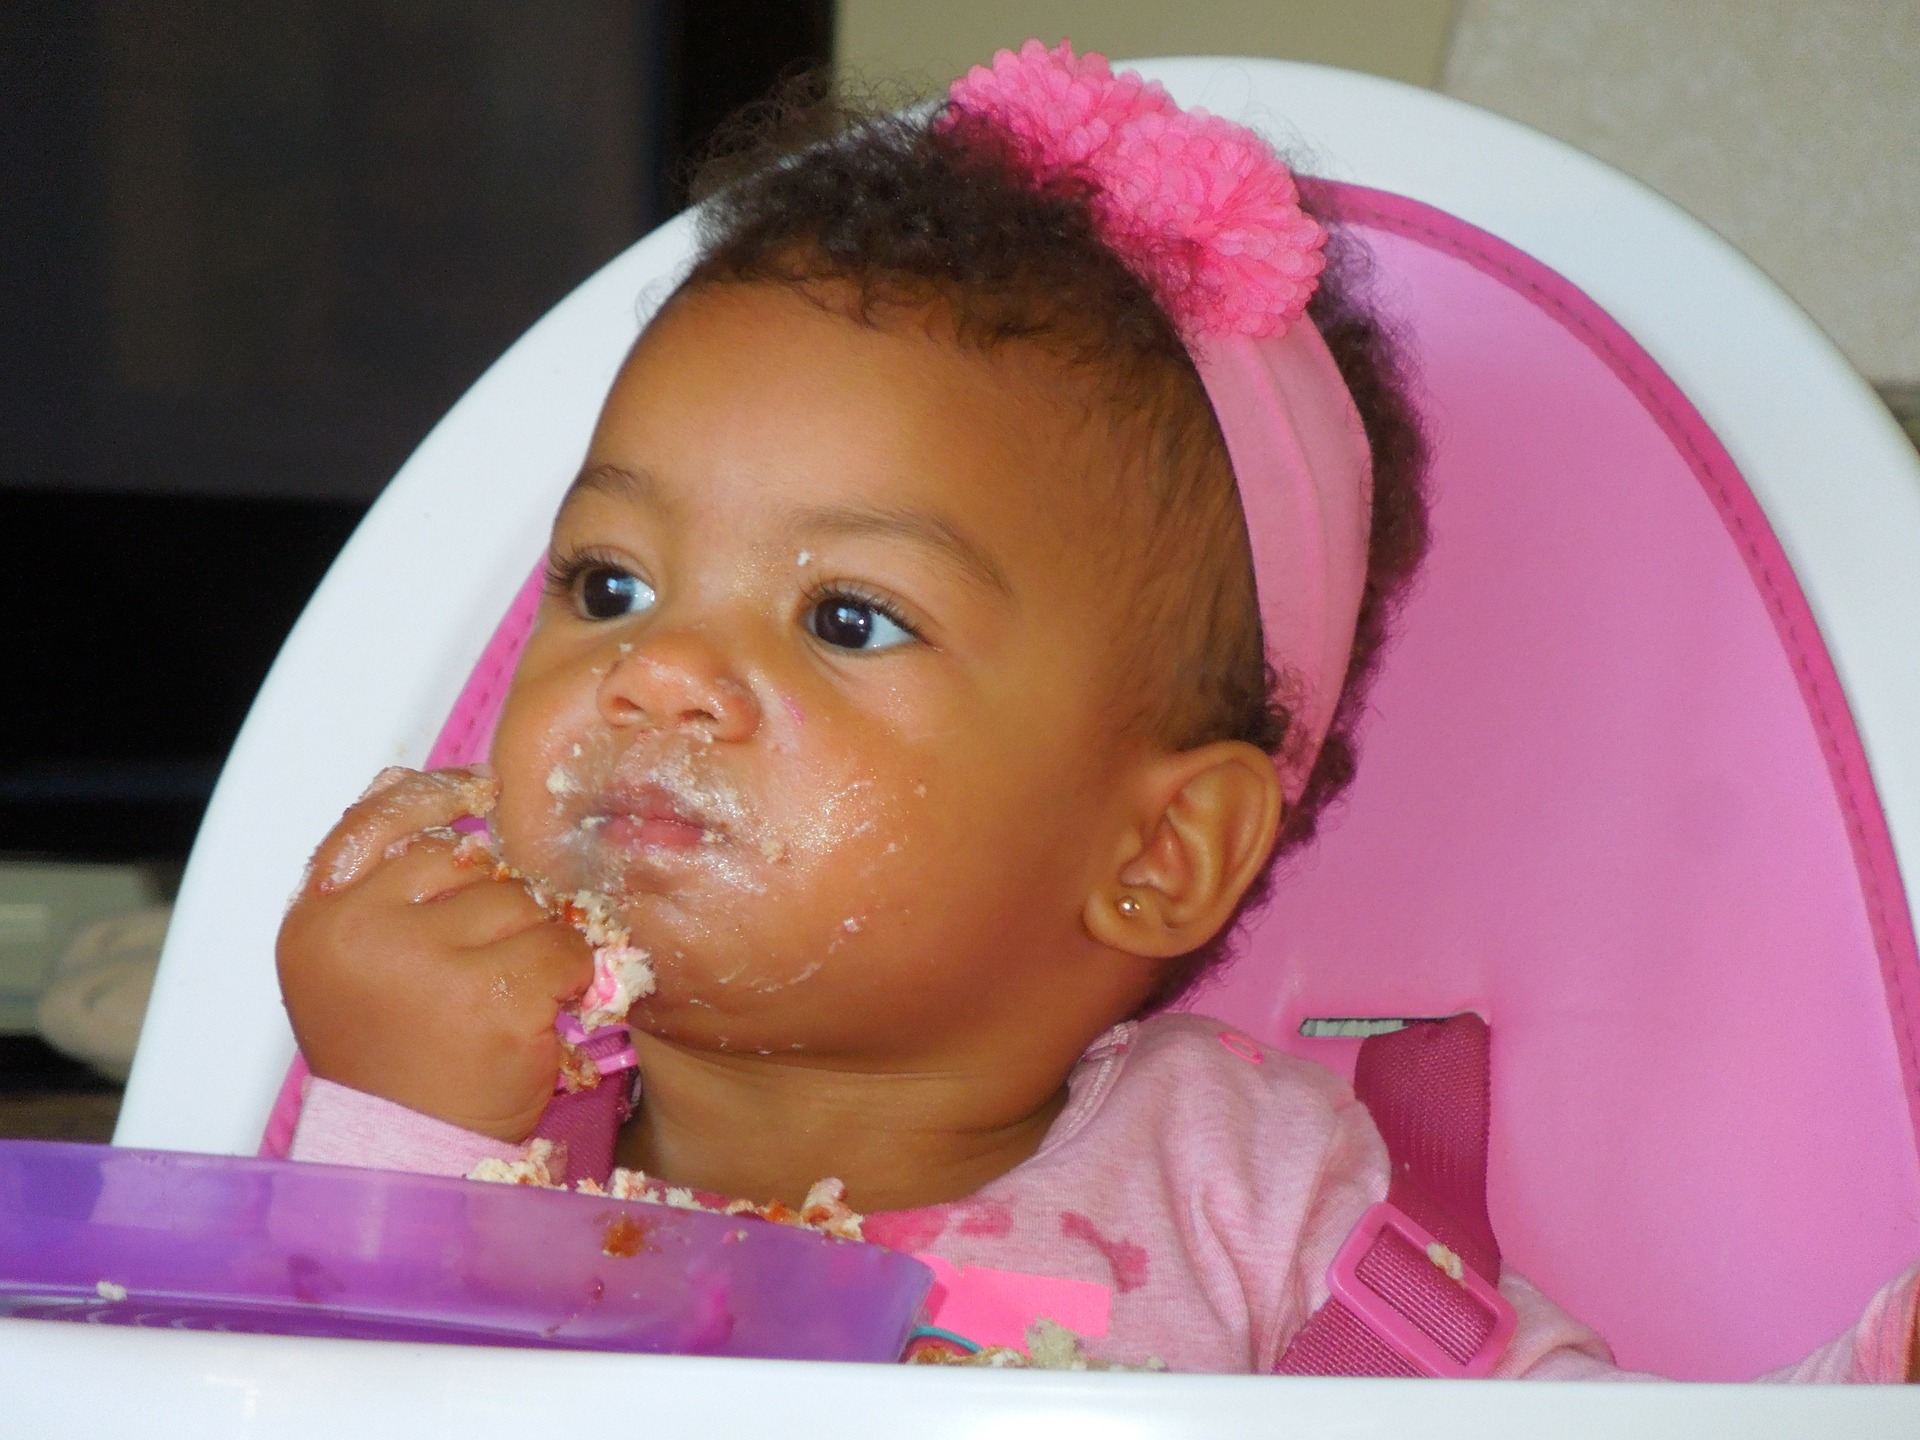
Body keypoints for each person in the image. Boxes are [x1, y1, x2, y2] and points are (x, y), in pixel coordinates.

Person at [274, 41, 1919, 1378]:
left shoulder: (1245, 1196)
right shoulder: (481, 1135)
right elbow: (288, 1407)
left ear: (1161, 848)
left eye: (849, 617)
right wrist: (389, 1132)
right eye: (609, 584)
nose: (659, 671)